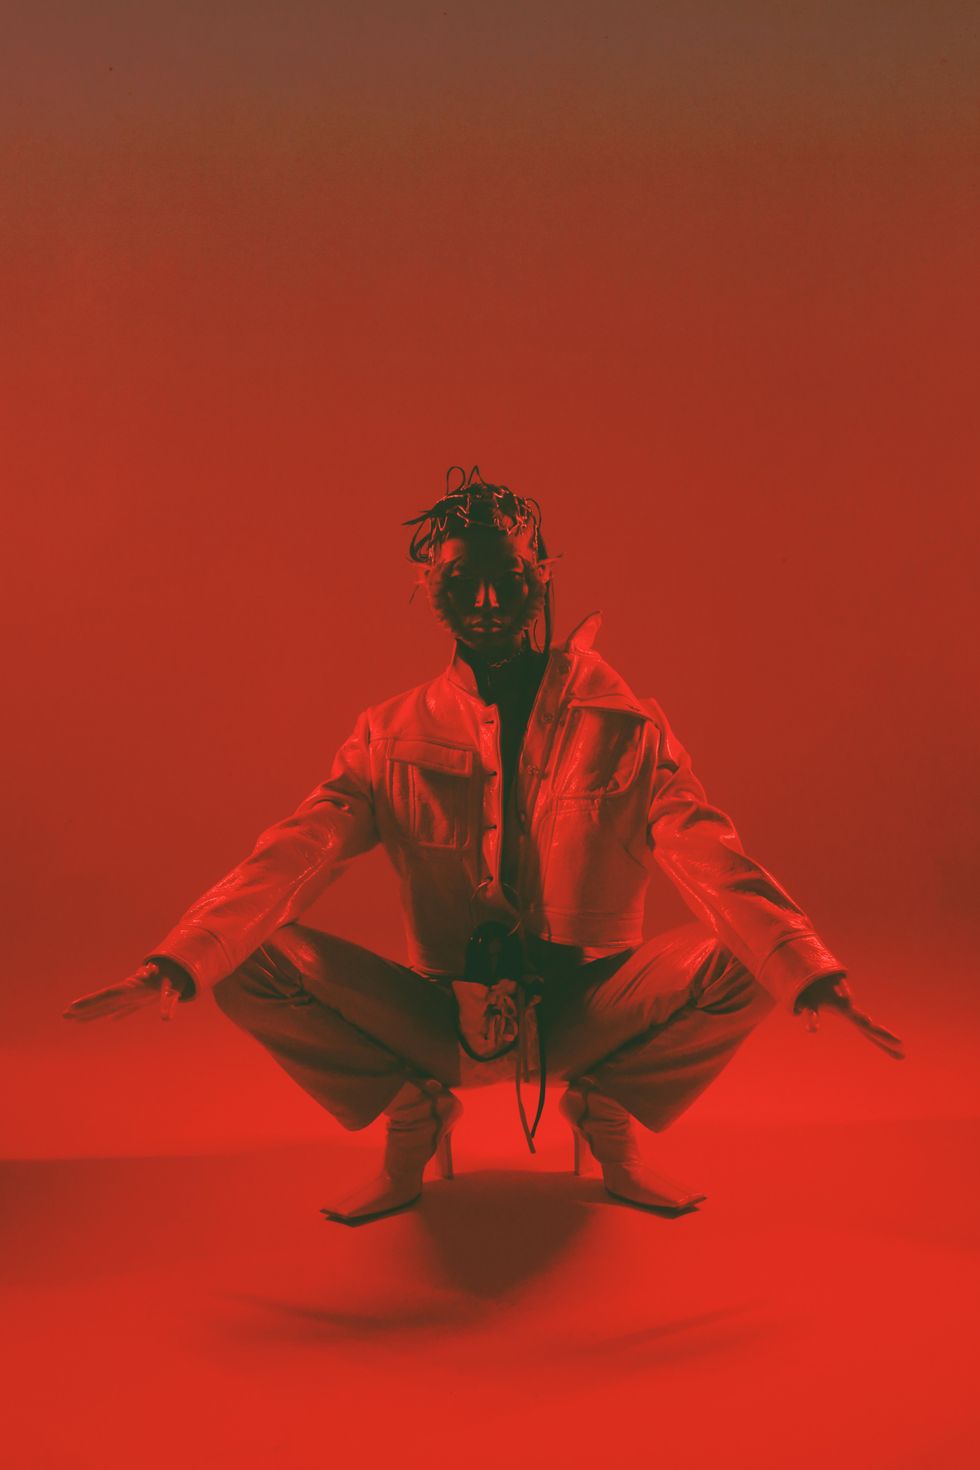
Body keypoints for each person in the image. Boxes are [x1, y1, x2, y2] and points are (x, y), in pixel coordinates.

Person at [64, 467, 904, 1224]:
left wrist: (806, 970)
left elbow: (708, 851)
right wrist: (182, 956)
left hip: (587, 1008)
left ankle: (606, 1110)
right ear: (426, 586)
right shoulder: (387, 732)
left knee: (752, 958)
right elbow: (299, 849)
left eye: (511, 577)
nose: (490, 600)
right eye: (461, 581)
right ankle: (412, 1116)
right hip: (436, 1016)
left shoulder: (624, 725)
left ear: (545, 574)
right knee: (243, 960)